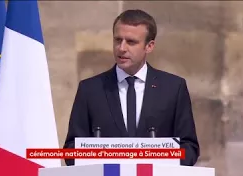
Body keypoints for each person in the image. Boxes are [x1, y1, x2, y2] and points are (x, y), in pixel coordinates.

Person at [63, 9, 200, 166]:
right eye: (117, 40)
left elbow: (189, 147)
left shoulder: (173, 88)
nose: (122, 48)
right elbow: (72, 149)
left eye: (131, 42)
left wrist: (163, 166)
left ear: (149, 46)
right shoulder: (90, 89)